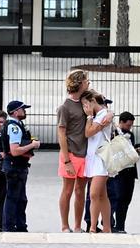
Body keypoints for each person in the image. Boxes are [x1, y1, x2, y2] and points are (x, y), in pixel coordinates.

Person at [56, 69, 90, 233]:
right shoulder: (65, 107)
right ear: (79, 83)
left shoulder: (85, 101)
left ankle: (77, 225)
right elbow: (61, 133)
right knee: (68, 190)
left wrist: (89, 89)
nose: (88, 82)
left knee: (80, 191)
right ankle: (64, 225)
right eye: (86, 80)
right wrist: (66, 159)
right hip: (70, 154)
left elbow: (101, 97)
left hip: (84, 153)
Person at [0, 100, 41, 232]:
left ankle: (20, 226)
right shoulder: (14, 127)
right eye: (23, 109)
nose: (25, 111)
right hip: (15, 167)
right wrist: (32, 145)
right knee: (13, 198)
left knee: (21, 199)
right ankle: (10, 227)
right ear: (16, 111)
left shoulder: (17, 125)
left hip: (18, 167)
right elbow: (15, 150)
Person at [81, 90, 113, 233]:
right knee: (101, 194)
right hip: (93, 158)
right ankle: (107, 227)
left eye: (86, 104)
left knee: (93, 194)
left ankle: (93, 227)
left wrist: (89, 118)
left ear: (93, 101)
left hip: (101, 158)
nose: (85, 108)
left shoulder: (102, 114)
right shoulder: (98, 115)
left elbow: (89, 133)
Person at [110, 111, 140, 233]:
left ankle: (121, 226)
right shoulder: (114, 134)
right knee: (117, 198)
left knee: (126, 199)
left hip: (130, 171)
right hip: (119, 171)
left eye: (131, 125)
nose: (129, 128)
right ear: (121, 122)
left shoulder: (130, 135)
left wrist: (136, 151)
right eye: (128, 125)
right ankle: (111, 223)